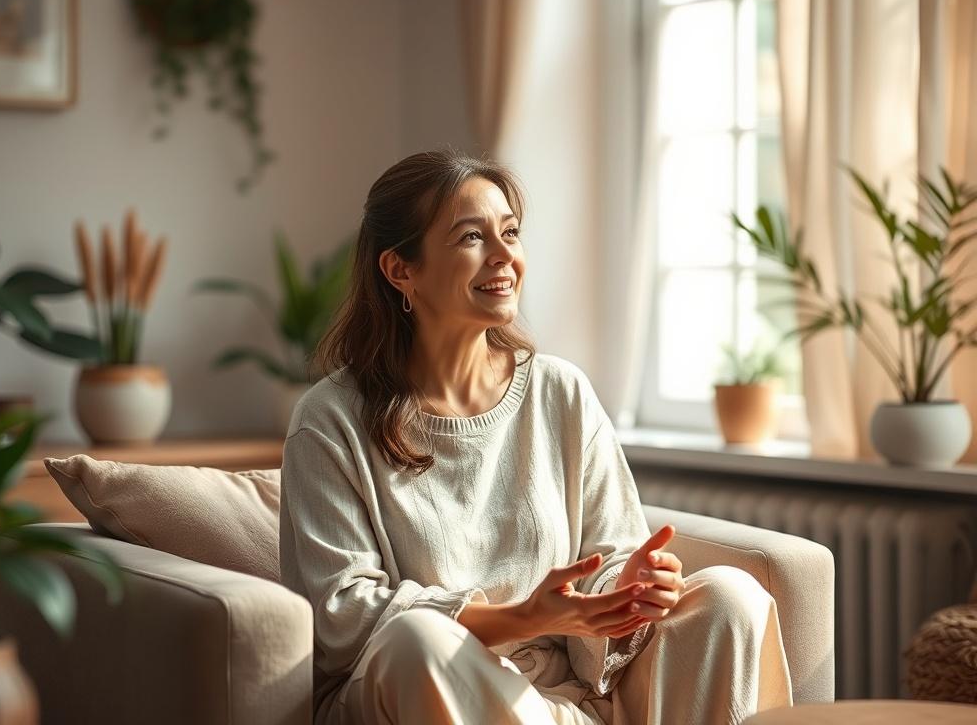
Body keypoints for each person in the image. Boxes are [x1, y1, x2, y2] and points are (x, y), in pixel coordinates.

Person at [279, 150, 793, 725]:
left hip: (567, 700)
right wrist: (525, 617)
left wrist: (628, 585)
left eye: (511, 233)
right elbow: (344, 617)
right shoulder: (329, 420)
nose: (505, 257)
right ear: (401, 269)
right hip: (427, 688)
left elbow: (608, 554)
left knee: (730, 595)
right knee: (415, 639)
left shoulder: (560, 391)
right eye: (472, 237)